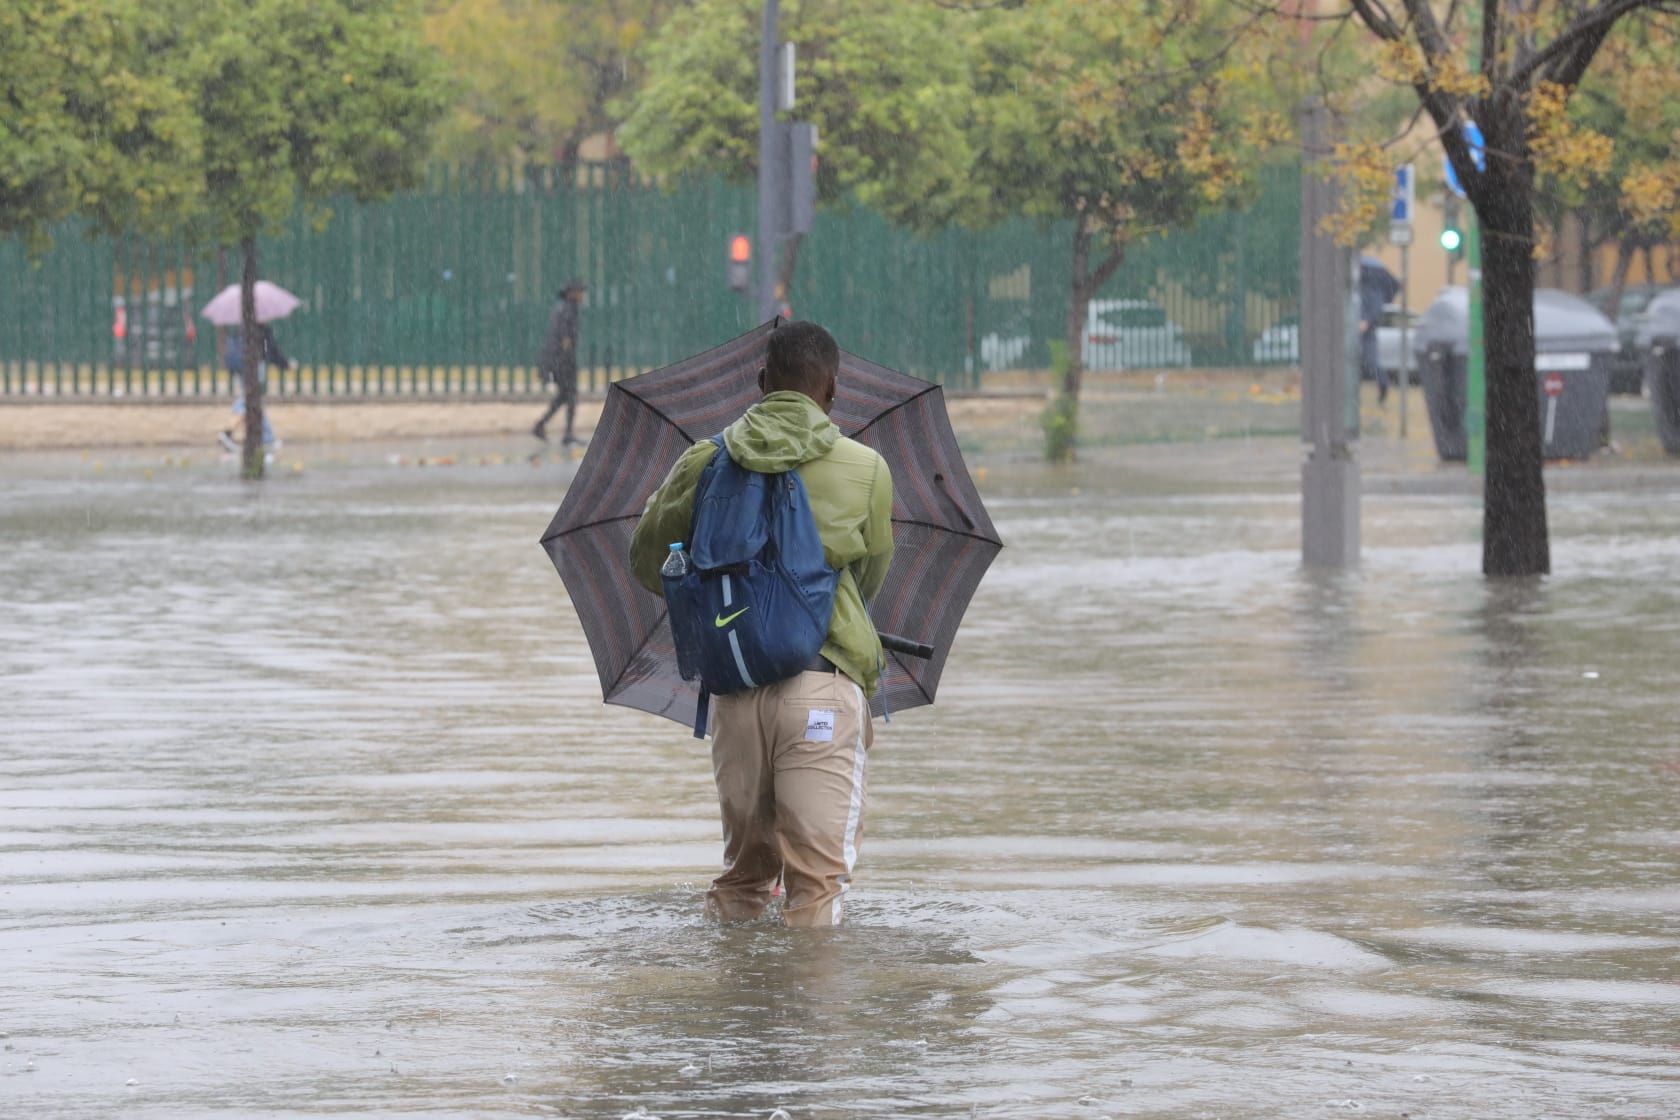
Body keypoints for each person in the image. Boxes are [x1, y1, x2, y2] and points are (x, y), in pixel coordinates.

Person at [629, 321, 895, 928]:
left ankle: (734, 1012)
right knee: (816, 888)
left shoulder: (704, 461)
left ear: (759, 383)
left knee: (744, 881)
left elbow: (648, 564)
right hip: (821, 688)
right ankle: (810, 1022)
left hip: (734, 693)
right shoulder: (867, 470)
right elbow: (870, 582)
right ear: (832, 390)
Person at [219, 323, 290, 452]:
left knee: (253, 401)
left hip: (240, 365)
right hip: (253, 366)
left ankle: (268, 438)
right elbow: (271, 350)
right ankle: (228, 432)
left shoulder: (243, 324)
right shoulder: (261, 327)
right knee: (249, 400)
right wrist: (285, 365)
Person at [533, 280, 586, 444]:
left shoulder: (561, 307)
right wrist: (568, 361)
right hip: (562, 359)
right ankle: (566, 433)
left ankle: (541, 425)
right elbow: (565, 338)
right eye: (580, 292)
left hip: (553, 358)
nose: (582, 295)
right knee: (570, 394)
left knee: (565, 395)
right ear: (571, 293)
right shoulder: (569, 309)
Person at [1359, 253, 1402, 405]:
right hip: (1361, 330)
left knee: (1370, 362)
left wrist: (1366, 322)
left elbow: (1375, 308)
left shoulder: (1371, 287)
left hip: (1365, 330)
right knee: (1362, 362)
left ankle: (1383, 386)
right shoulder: (1364, 287)